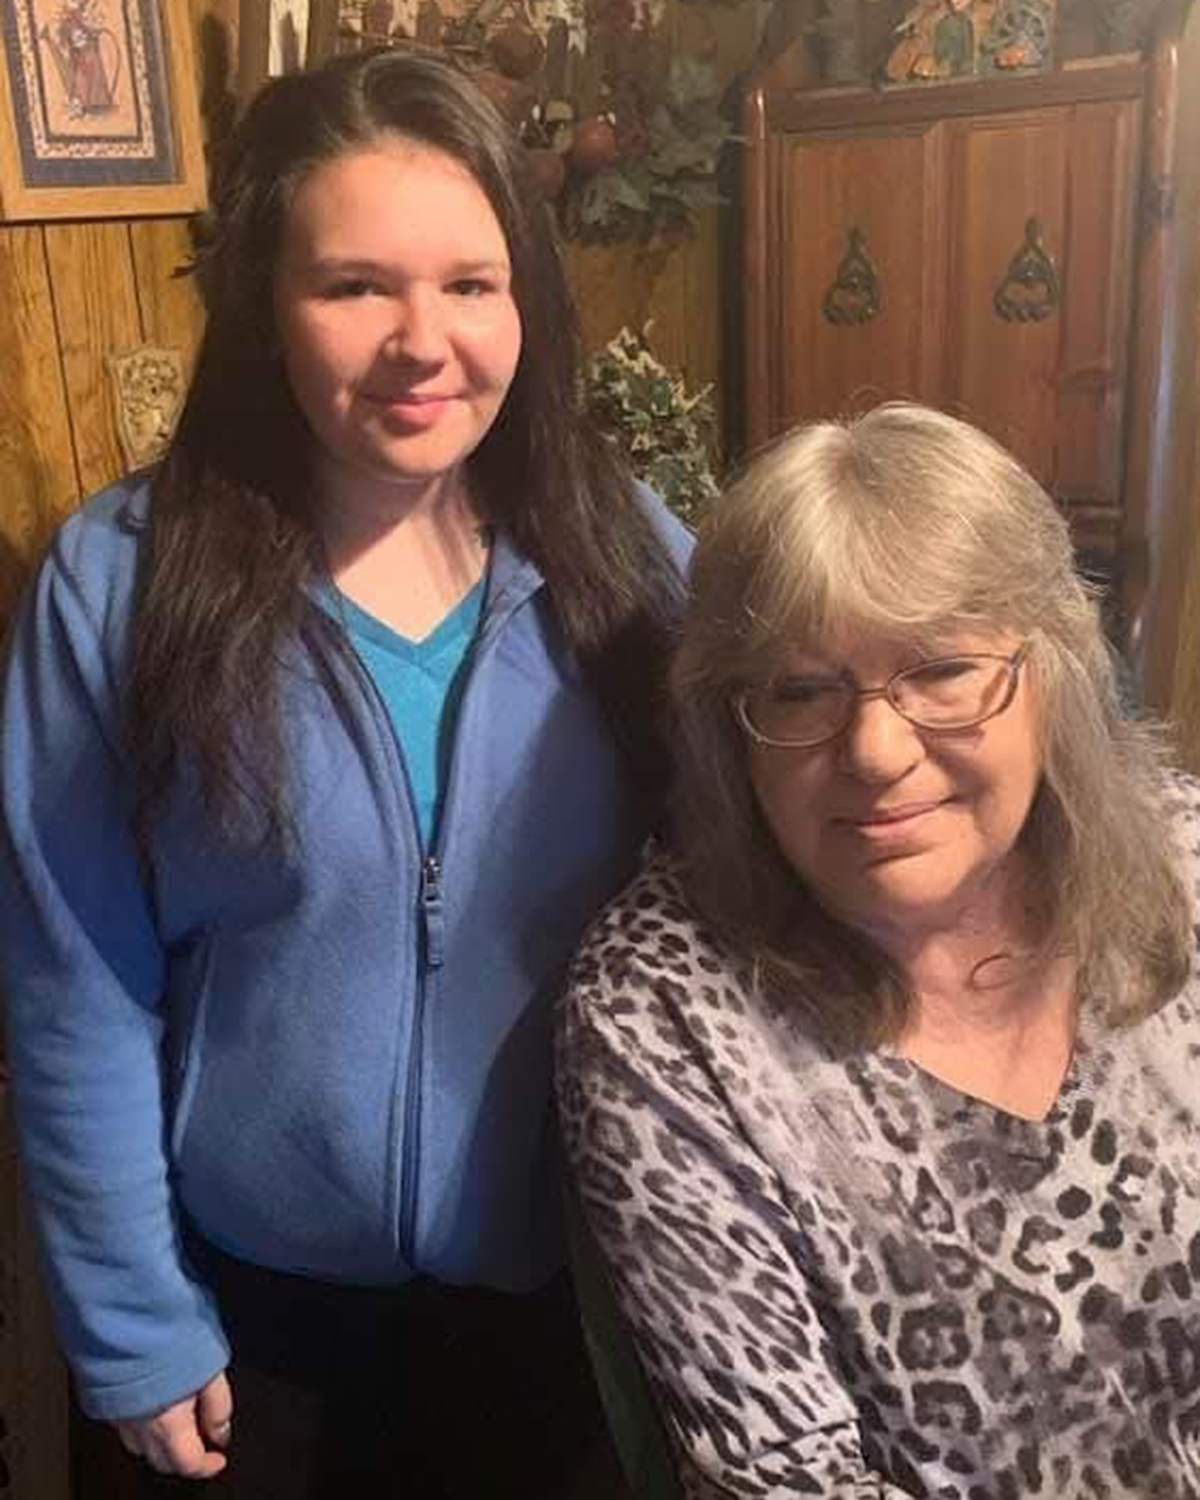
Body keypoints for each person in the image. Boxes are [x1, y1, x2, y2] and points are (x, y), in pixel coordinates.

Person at [0, 45, 689, 1498]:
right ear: (265, 301)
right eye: (355, 286)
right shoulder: (120, 583)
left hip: (571, 1311)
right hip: (243, 1332)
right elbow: (76, 980)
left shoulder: (629, 560)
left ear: (527, 298)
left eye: (471, 283)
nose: (422, 341)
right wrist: (131, 1320)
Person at [557, 402, 1200, 1499]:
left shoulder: (1181, 859)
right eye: (801, 690)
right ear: (729, 727)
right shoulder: (662, 1014)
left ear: (1050, 673)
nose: (876, 750)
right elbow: (787, 1485)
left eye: (942, 670)